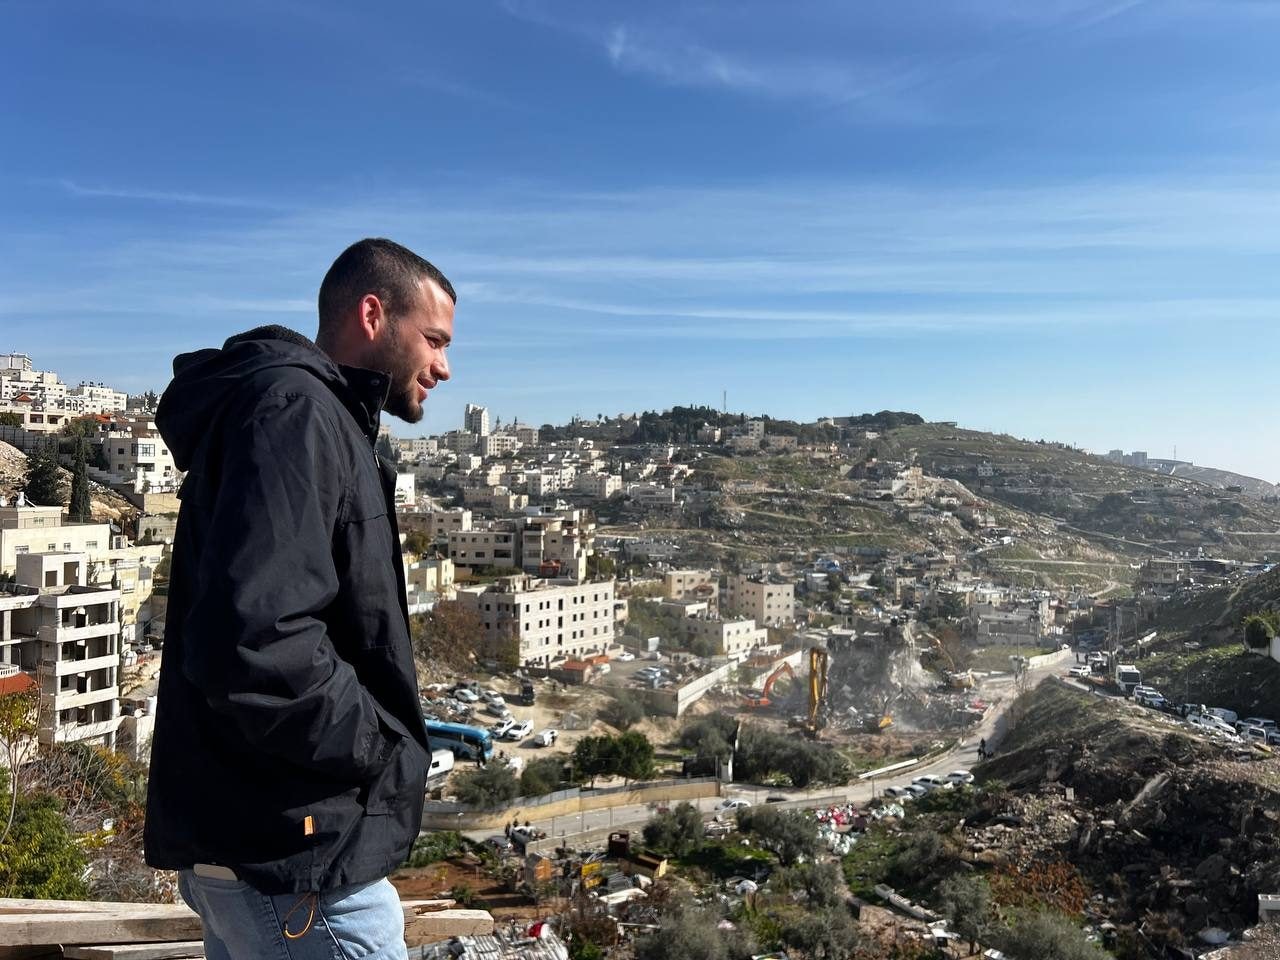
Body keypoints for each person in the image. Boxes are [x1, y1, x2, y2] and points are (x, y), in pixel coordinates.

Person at [144, 238, 456, 959]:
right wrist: (383, 750)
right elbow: (256, 642)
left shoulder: (311, 414)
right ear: (374, 314)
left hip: (267, 851)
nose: (443, 366)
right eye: (434, 340)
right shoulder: (298, 413)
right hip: (297, 866)